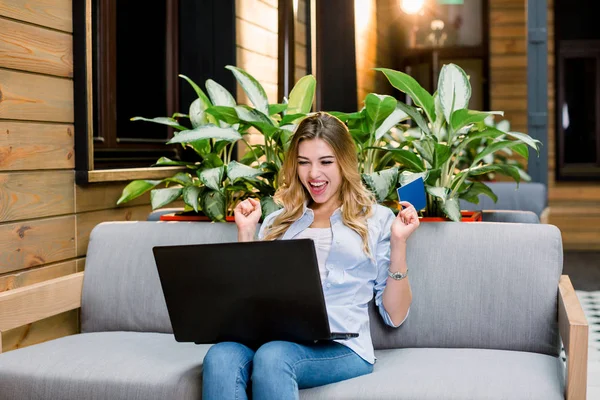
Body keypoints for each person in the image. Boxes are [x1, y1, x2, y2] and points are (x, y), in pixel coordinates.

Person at [202, 112, 419, 400]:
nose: (313, 174)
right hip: (275, 337)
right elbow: (250, 300)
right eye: (304, 163)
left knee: (274, 357)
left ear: (344, 162)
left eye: (325, 162)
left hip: (341, 346)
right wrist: (246, 232)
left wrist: (399, 242)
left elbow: (395, 315)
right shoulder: (278, 220)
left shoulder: (376, 219)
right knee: (220, 357)